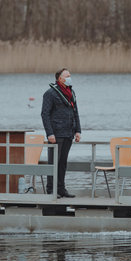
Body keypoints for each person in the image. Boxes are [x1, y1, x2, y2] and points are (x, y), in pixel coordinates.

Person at [41, 68, 81, 198]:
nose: (70, 77)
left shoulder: (71, 92)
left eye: (70, 75)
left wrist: (78, 130)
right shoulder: (50, 93)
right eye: (67, 75)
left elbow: (75, 112)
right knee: (54, 162)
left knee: (63, 163)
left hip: (68, 132)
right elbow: (45, 114)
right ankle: (51, 189)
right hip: (56, 134)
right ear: (60, 79)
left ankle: (61, 188)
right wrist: (49, 133)